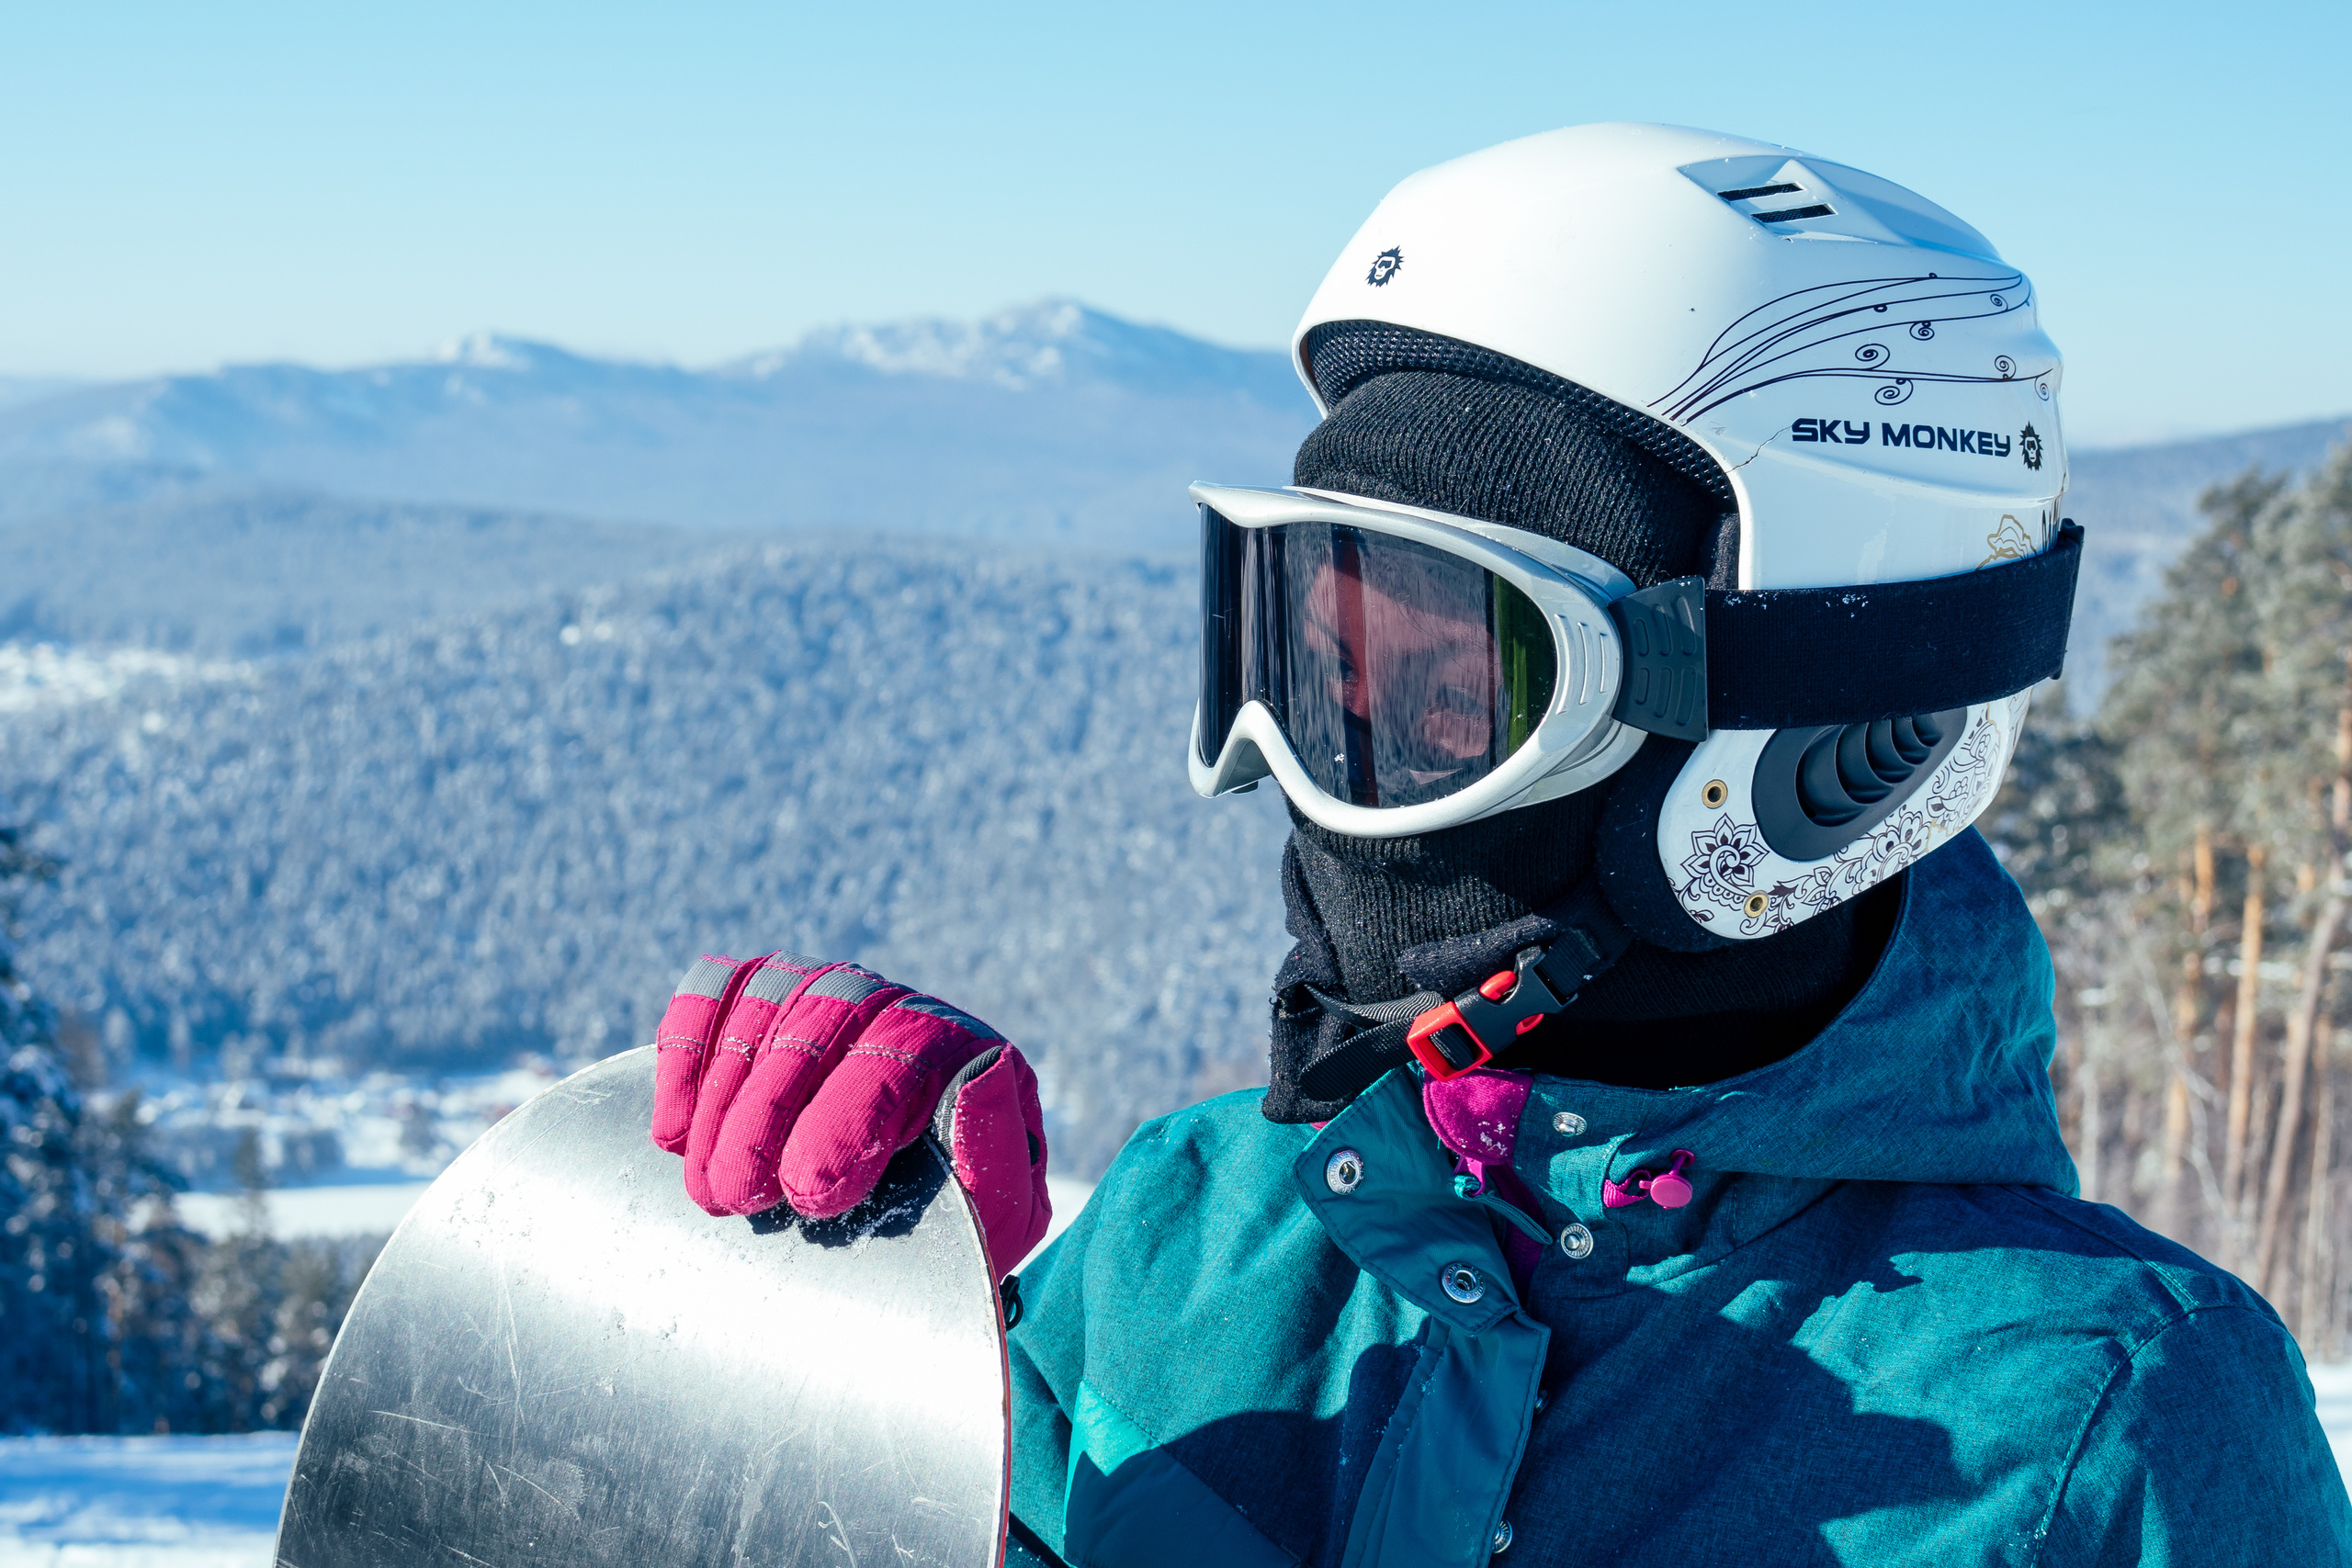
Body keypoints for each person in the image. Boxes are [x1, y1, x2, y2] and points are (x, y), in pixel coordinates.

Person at [649, 124, 2352, 1565]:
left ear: (1819, 747)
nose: (1310, 779)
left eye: (1452, 682)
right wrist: (867, 1359)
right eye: (1304, 654)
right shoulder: (1187, 1231)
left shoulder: (2103, 1418)